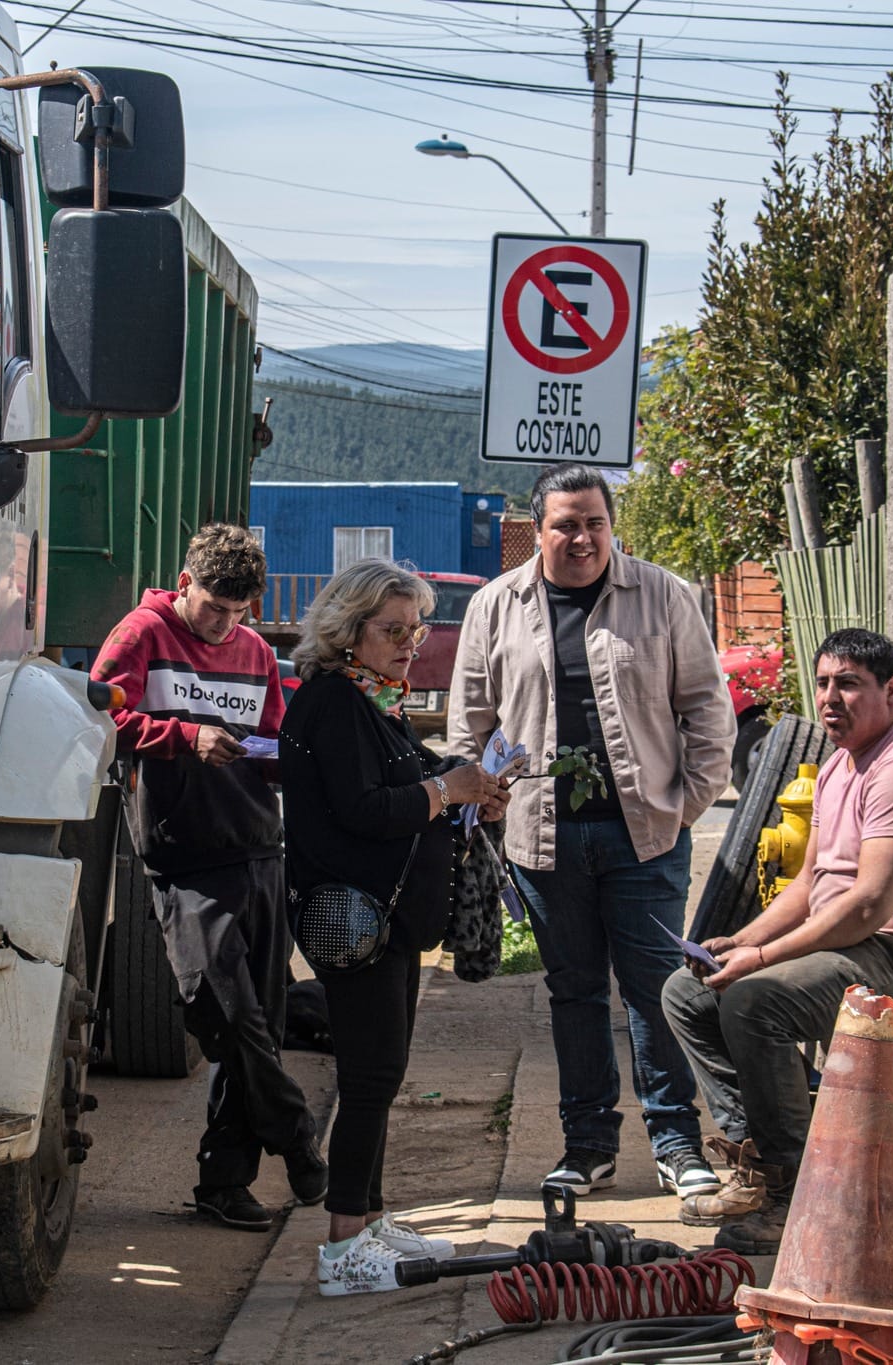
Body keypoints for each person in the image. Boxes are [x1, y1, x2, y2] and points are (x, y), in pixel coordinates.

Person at [448, 462, 734, 1208]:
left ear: (612, 526)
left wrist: (686, 804)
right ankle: (588, 1145)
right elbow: (470, 718)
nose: (582, 537)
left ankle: (676, 1142)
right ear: (536, 531)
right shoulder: (495, 607)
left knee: (655, 990)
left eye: (594, 523)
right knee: (574, 992)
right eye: (566, 524)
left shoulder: (662, 593)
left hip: (643, 835)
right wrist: (481, 794)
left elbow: (707, 706)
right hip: (542, 839)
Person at [660, 628, 893, 1254]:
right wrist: (738, 941)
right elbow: (812, 881)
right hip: (861, 948)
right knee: (688, 992)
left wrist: (761, 961)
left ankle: (794, 1198)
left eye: (850, 685)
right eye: (825, 682)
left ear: (891, 691)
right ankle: (765, 1156)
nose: (831, 699)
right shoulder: (842, 759)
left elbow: (866, 906)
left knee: (755, 1002)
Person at [279, 559, 510, 1296]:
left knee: (382, 1073)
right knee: (369, 1077)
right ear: (349, 633)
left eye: (417, 628)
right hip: (357, 918)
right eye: (393, 630)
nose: (411, 642)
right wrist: (448, 789)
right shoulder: (332, 703)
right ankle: (347, 1241)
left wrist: (463, 784)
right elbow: (366, 807)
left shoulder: (371, 698)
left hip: (390, 919)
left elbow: (405, 771)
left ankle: (372, 1218)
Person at [91, 524, 326, 1232]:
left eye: (239, 611)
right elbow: (101, 717)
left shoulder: (255, 652)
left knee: (260, 1018)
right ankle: (295, 1132)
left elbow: (276, 740)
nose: (225, 625)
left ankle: (226, 1181)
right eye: (214, 608)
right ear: (185, 583)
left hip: (257, 845)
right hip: (183, 854)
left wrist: (296, 756)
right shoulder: (141, 635)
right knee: (223, 1011)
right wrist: (186, 737)